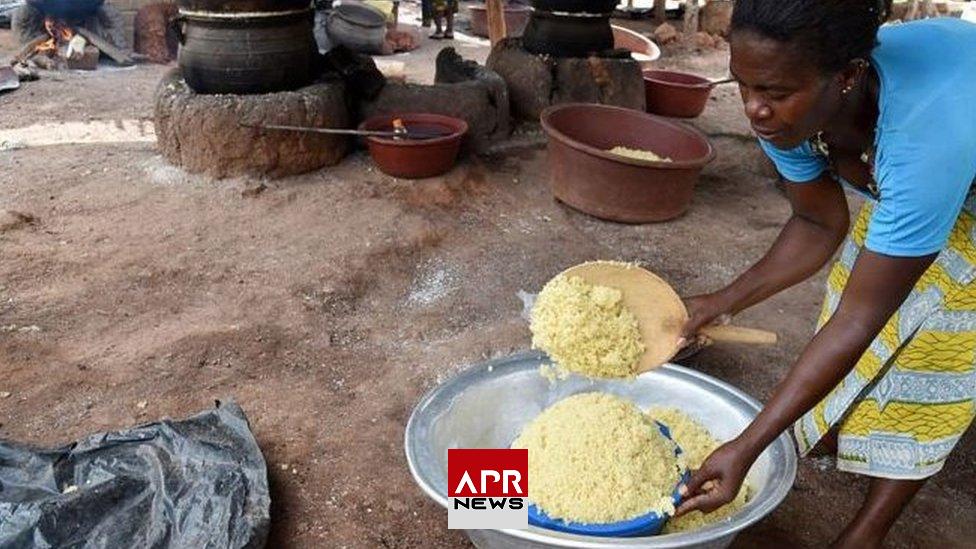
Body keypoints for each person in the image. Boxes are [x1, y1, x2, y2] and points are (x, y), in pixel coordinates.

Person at [674, 1, 976, 547]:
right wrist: (719, 302)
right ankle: (841, 428)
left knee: (941, 348)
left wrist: (748, 445)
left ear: (848, 77)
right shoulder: (788, 105)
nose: (753, 110)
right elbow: (817, 222)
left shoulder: (921, 143)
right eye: (742, 85)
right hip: (926, 161)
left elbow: (860, 320)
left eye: (774, 93)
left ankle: (868, 529)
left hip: (951, 142)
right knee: (857, 288)